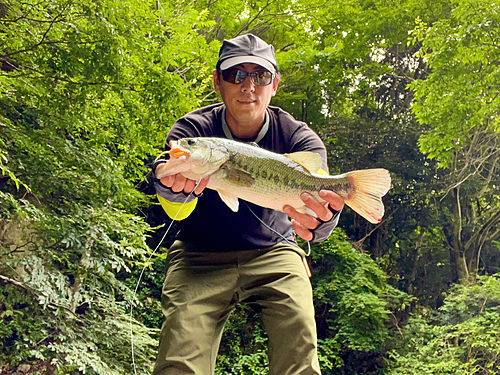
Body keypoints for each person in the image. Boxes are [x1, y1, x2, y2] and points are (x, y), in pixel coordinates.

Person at [152, 34, 345, 375]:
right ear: (217, 81)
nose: (248, 86)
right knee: (179, 361)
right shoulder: (192, 131)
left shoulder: (301, 138)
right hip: (200, 254)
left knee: (299, 346)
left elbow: (321, 209)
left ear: (275, 85)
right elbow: (168, 186)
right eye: (236, 75)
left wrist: (322, 221)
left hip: (275, 251)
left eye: (260, 76)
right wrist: (169, 184)